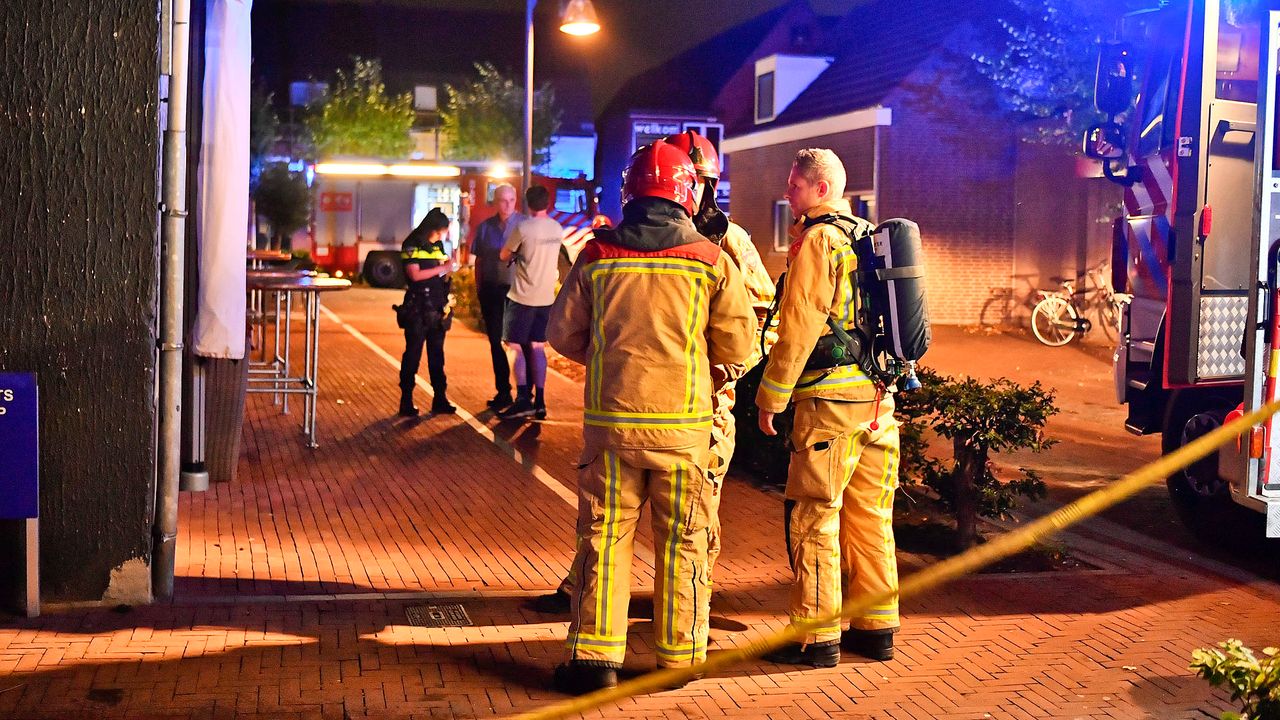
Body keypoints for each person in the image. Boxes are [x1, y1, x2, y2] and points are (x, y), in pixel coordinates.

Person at [526, 130, 775, 614]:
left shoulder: (727, 242)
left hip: (704, 407)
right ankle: (596, 598)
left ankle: (683, 609)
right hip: (665, 411)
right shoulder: (643, 244)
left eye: (701, 179)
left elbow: (763, 319)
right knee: (614, 522)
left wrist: (723, 373)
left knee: (686, 524)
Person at [756, 148, 900, 667]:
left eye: (794, 185)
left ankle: (816, 638)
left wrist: (771, 396)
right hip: (879, 402)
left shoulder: (819, 240)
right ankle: (877, 626)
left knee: (815, 516)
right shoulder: (865, 236)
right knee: (871, 518)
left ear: (821, 189)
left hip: (831, 403)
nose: (787, 192)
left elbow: (799, 327)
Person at [496, 185, 563, 420]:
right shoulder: (557, 228)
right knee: (537, 347)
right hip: (546, 298)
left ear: (527, 203)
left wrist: (516, 254)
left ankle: (523, 398)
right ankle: (541, 402)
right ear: (548, 202)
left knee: (513, 345)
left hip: (522, 296)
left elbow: (504, 254)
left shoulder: (523, 227)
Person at [396, 208, 456, 417]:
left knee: (437, 356)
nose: (442, 236)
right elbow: (414, 275)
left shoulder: (437, 245)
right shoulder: (411, 243)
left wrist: (448, 271)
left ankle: (440, 398)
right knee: (413, 354)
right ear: (433, 229)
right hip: (417, 308)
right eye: (441, 232)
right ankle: (406, 400)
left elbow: (443, 269)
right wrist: (443, 268)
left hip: (436, 307)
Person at [469, 183, 524, 410]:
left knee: (519, 343)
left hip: (517, 292)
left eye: (511, 200)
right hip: (491, 290)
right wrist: (479, 288)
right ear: (495, 201)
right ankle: (503, 391)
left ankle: (524, 393)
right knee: (495, 342)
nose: (508, 205)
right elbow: (478, 261)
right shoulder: (485, 228)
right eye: (503, 200)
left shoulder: (524, 226)